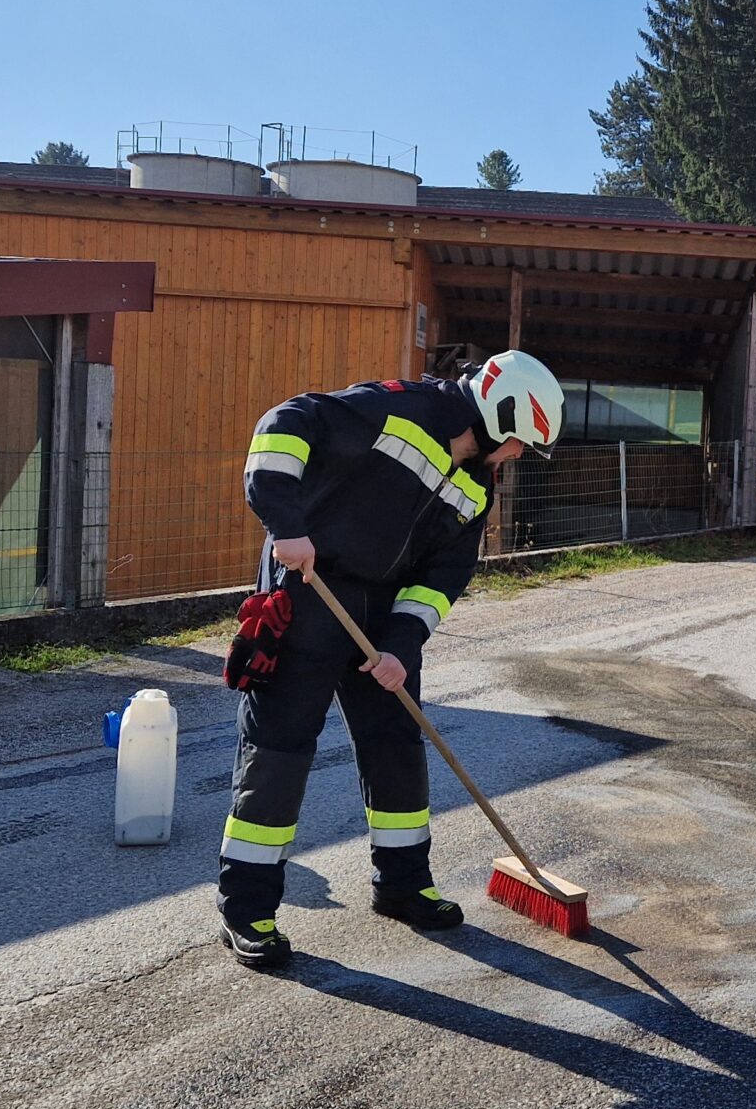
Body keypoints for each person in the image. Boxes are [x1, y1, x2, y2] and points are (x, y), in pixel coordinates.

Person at [216, 350, 565, 967]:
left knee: (397, 743)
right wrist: (285, 522)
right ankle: (247, 910)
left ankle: (402, 887)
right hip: (310, 585)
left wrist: (402, 645)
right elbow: (285, 423)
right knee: (281, 747)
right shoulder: (398, 409)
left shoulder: (474, 490)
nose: (514, 459)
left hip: (383, 612)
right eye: (518, 445)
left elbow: (444, 575)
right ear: (500, 416)